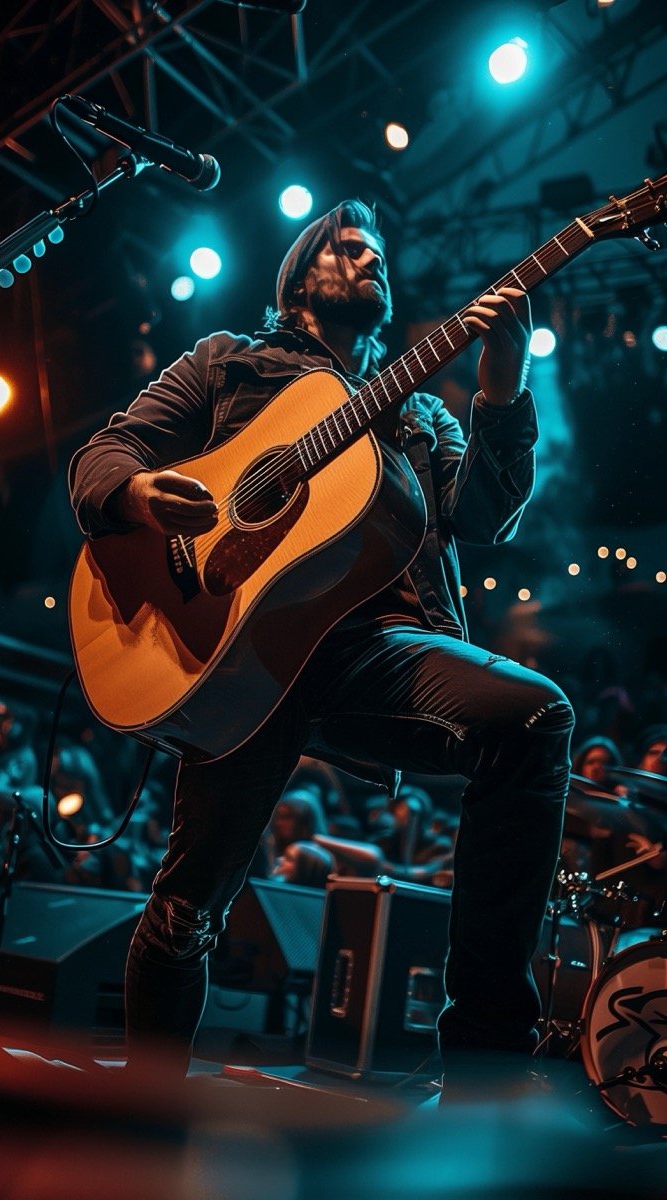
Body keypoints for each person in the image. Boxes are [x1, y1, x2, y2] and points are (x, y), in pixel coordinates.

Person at [69, 200, 575, 1094]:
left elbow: (485, 517)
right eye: (347, 246)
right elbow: (107, 451)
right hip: (236, 649)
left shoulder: (420, 412)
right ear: (300, 274)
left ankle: (485, 1076)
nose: (369, 256)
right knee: (186, 915)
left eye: (378, 249)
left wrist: (502, 385)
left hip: (377, 651)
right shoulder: (227, 362)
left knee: (533, 719)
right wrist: (143, 495)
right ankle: (140, 1109)